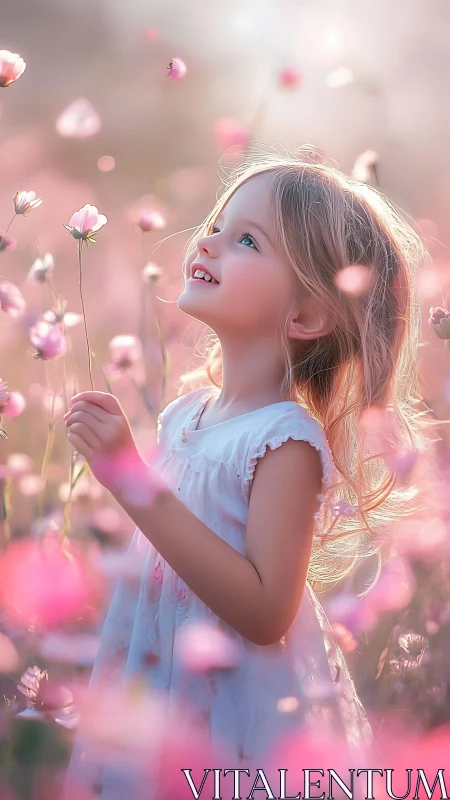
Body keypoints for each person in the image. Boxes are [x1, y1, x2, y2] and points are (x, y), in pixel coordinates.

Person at [62, 146, 433, 799]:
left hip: (227, 712)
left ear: (306, 316)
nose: (207, 243)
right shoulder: (185, 416)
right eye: (215, 226)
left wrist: (131, 479)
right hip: (158, 679)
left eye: (245, 240)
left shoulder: (283, 440)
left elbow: (266, 613)